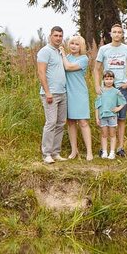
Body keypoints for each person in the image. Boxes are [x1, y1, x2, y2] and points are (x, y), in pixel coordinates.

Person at [93, 23, 127, 157]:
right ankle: (104, 149)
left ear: (122, 34)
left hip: (120, 88)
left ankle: (120, 147)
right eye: (114, 32)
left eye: (119, 32)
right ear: (110, 34)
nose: (117, 34)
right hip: (106, 89)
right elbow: (96, 69)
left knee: (121, 118)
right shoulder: (104, 49)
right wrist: (97, 85)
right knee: (105, 116)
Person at [36, 26, 68, 164]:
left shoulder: (60, 51)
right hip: (50, 94)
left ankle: (55, 152)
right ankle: (46, 154)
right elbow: (41, 73)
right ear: (50, 36)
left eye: (60, 36)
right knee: (51, 123)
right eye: (56, 35)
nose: (58, 38)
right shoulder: (45, 51)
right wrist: (48, 92)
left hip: (62, 92)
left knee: (61, 123)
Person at [62, 35, 93, 160]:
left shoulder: (83, 58)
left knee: (83, 122)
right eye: (72, 43)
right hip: (67, 93)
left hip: (79, 93)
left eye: (77, 44)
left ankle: (89, 152)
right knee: (70, 122)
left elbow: (68, 67)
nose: (74, 46)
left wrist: (63, 54)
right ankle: (74, 151)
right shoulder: (67, 57)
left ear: (81, 47)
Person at [94, 71, 127, 160]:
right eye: (106, 79)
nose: (109, 81)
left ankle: (112, 152)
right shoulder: (101, 91)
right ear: (103, 80)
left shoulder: (116, 92)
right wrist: (97, 117)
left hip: (112, 116)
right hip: (102, 116)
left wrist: (118, 108)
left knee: (112, 134)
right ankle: (104, 151)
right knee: (104, 134)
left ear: (113, 80)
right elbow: (97, 106)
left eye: (111, 79)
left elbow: (123, 102)